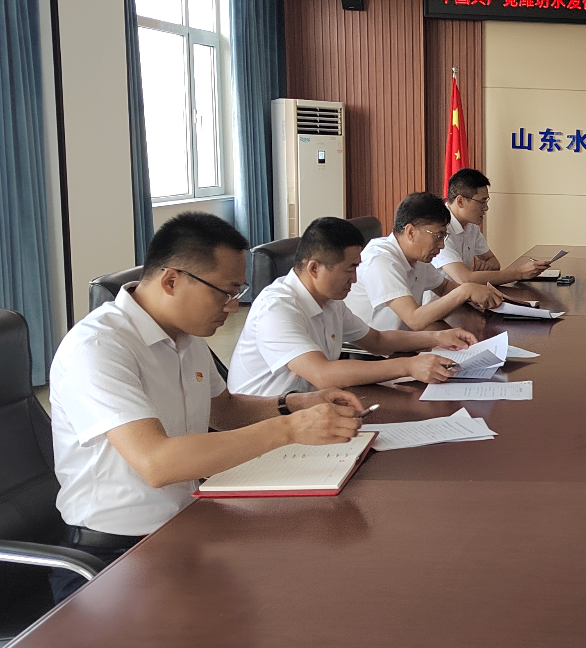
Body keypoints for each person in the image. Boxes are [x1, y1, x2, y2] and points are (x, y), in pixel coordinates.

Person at [48, 213, 367, 602]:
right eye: (225, 292)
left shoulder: (186, 336)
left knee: (316, 572)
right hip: (111, 558)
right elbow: (157, 463)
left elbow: (225, 410)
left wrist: (296, 404)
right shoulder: (98, 348)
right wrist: (291, 429)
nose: (233, 307)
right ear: (171, 281)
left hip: (186, 525)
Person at [229, 217, 483, 397]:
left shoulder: (330, 301)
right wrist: (408, 366)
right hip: (263, 425)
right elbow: (323, 374)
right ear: (314, 268)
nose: (354, 279)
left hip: (309, 410)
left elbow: (377, 340)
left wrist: (438, 337)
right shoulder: (277, 309)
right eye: (349, 269)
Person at [344, 192, 504, 332]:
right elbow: (414, 319)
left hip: (404, 340)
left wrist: (479, 294)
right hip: (372, 351)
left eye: (444, 237)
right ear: (411, 232)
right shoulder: (381, 261)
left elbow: (444, 288)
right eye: (438, 236)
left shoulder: (417, 257)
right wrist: (465, 291)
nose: (441, 245)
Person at [435, 168, 553, 285]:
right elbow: (465, 279)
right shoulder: (439, 228)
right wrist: (520, 273)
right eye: (482, 202)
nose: (486, 208)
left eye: (486, 201)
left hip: (465, 294)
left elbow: (494, 263)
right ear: (460, 201)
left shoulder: (471, 227)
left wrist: (483, 270)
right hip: (443, 297)